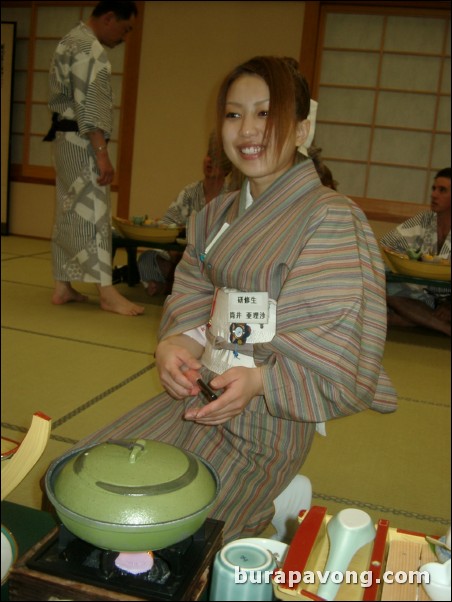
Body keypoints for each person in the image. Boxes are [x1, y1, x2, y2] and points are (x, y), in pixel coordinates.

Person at [76, 56, 397, 544]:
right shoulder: (215, 214)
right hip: (198, 391)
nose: (247, 129)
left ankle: (258, 518)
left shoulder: (331, 219)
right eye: (233, 114)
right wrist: (175, 347)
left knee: (178, 530)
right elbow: (191, 292)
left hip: (268, 410)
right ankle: (267, 514)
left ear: (303, 127)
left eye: (266, 113)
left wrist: (260, 379)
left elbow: (335, 331)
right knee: (89, 474)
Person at [45, 1, 144, 316]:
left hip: (65, 139)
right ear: (108, 18)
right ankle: (106, 291)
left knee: (69, 209)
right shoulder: (90, 49)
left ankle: (63, 285)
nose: (125, 37)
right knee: (94, 213)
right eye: (125, 28)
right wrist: (102, 154)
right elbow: (91, 107)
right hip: (83, 141)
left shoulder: (69, 39)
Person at [137, 133, 232, 296]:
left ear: (227, 168)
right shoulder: (189, 192)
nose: (210, 161)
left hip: (211, 260)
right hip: (181, 255)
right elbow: (168, 223)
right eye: (209, 155)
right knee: (148, 258)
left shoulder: (231, 196)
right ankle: (172, 287)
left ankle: (167, 287)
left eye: (216, 158)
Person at [380, 167, 451, 336]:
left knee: (388, 316)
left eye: (442, 190)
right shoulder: (424, 220)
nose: (434, 195)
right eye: (434, 189)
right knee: (379, 279)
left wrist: (450, 304)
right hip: (421, 296)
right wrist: (412, 260)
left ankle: (412, 318)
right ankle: (444, 327)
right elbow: (388, 244)